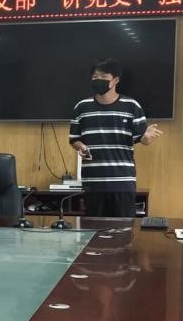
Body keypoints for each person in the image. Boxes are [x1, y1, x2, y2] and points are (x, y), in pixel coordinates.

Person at [69, 60, 163, 218]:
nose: (98, 80)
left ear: (116, 80)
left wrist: (147, 136)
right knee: (94, 229)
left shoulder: (131, 106)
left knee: (123, 229)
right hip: (93, 182)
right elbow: (74, 139)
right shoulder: (81, 107)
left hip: (122, 182)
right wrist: (81, 147)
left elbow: (143, 140)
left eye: (104, 76)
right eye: (95, 77)